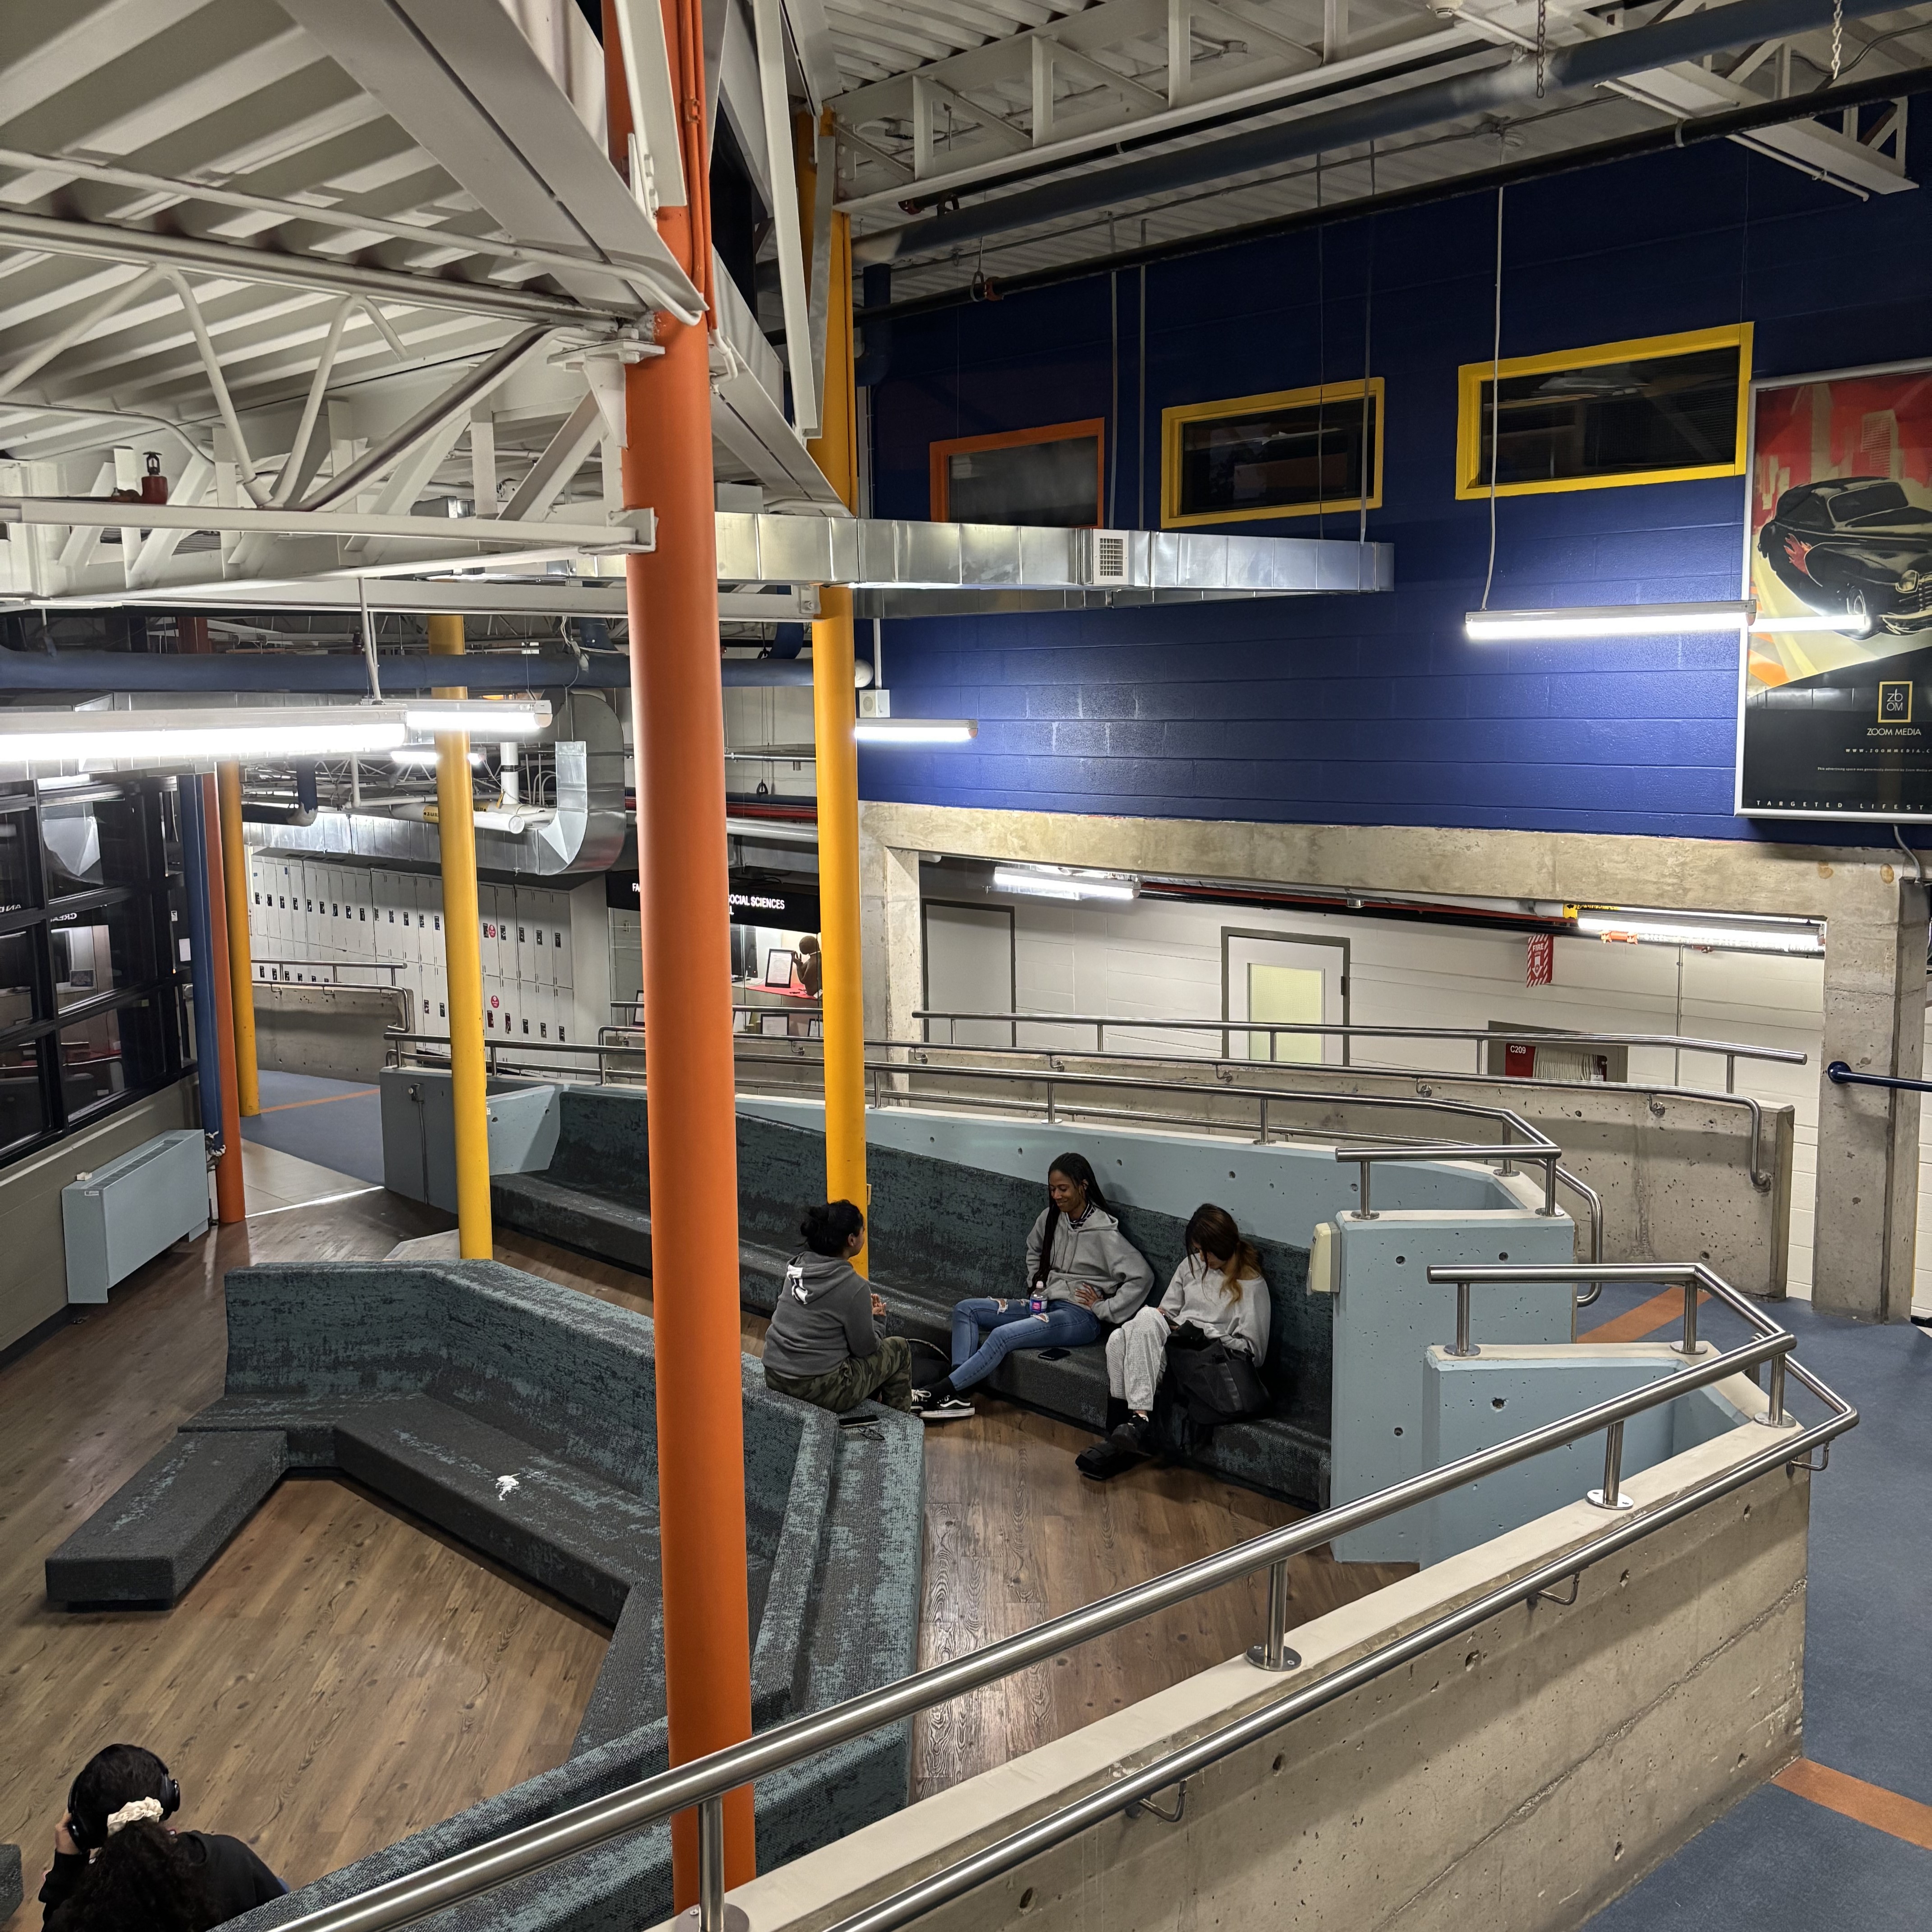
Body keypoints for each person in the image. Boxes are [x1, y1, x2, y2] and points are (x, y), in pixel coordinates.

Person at [915, 1153, 1152, 1423]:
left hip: (1078, 1317)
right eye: (1053, 1189)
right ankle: (957, 1392)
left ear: (1082, 1186)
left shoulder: (1104, 1232)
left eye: (1063, 1189)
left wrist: (1105, 1308)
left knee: (1003, 1336)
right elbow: (1033, 1248)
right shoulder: (1051, 1217)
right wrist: (1036, 1282)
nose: (1057, 1196)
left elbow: (1141, 1277)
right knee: (965, 1310)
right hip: (1045, 1302)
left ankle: (937, 1392)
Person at [1076, 1203, 1271, 1481]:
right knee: (1119, 1338)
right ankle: (1131, 1427)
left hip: (1209, 1361)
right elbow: (1165, 1312)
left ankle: (1132, 1426)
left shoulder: (1252, 1286)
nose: (1202, 1258)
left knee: (1140, 1320)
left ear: (1224, 1244)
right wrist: (1170, 1321)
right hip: (1176, 1347)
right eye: (1197, 1250)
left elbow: (1254, 1354)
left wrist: (1204, 1331)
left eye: (1207, 1251)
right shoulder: (1191, 1266)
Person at [39, 1745, 285, 1930]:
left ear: (85, 1832)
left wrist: (66, 1870)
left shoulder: (82, 1914)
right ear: (169, 1798)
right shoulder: (229, 1858)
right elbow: (292, 1917)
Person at [761, 1200, 913, 1414]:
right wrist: (877, 1322)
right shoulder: (855, 1286)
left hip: (774, 1375)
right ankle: (898, 1424)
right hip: (817, 1389)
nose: (864, 1236)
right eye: (863, 1232)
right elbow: (865, 1349)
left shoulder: (797, 1265)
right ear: (852, 1240)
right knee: (900, 1349)